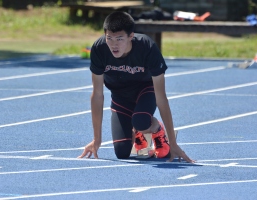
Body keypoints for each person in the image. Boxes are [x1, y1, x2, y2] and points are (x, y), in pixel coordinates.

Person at [78, 11, 194, 163]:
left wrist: (173, 143)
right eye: (110, 38)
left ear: (131, 36)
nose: (114, 44)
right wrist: (96, 140)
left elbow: (161, 98)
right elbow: (97, 95)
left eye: (119, 39)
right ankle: (138, 131)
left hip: (146, 90)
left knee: (140, 121)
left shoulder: (147, 47)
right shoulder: (99, 49)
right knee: (122, 153)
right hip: (120, 96)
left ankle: (155, 128)